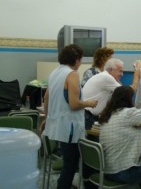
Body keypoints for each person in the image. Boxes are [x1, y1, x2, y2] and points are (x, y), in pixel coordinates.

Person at [43, 44, 98, 189]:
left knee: (69, 162)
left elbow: (46, 98)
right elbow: (74, 104)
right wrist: (89, 103)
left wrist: (48, 118)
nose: (80, 63)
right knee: (71, 164)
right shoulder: (72, 74)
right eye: (80, 59)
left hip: (57, 125)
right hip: (69, 127)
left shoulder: (54, 73)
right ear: (76, 59)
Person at [82, 58, 124, 129]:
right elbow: (126, 92)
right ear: (111, 70)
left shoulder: (103, 75)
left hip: (87, 115)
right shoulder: (106, 77)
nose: (122, 74)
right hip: (88, 116)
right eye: (120, 71)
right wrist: (137, 74)